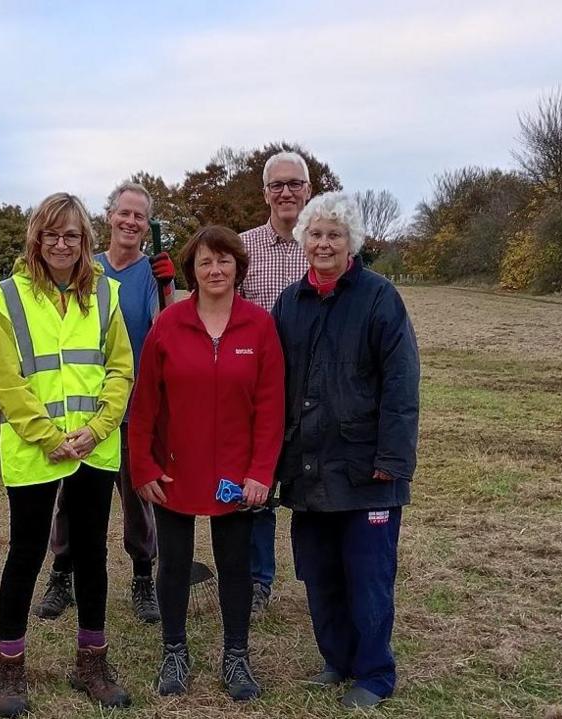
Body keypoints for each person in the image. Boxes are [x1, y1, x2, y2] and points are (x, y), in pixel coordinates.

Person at [0, 192, 134, 717]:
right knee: (26, 552)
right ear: (37, 239)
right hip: (34, 447)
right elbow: (6, 379)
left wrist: (97, 429)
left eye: (72, 235)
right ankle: (9, 666)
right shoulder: (7, 298)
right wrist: (49, 437)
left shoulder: (108, 296)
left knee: (91, 551)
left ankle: (91, 661)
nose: (62, 244)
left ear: (86, 241)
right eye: (52, 235)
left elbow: (120, 369)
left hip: (95, 445)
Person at [272, 191, 420, 709]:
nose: (324, 243)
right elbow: (273, 388)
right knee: (319, 572)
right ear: (302, 240)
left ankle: (375, 673)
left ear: (351, 241)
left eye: (335, 234)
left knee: (369, 576)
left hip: (366, 470)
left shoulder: (380, 298)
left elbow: (402, 384)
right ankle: (336, 659)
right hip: (307, 466)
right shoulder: (289, 302)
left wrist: (392, 461)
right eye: (315, 234)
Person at [129, 226, 285, 701]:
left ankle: (236, 656)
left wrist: (260, 472)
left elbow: (270, 406)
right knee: (173, 564)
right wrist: (143, 467)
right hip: (176, 469)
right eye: (204, 262)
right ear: (191, 271)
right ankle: (174, 651)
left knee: (235, 567)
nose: (215, 270)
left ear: (238, 266)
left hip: (236, 477)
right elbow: (145, 405)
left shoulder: (259, 327)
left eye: (223, 261)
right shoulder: (170, 324)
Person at [34, 182, 174, 625]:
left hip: (134, 407)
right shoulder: (85, 268)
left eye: (140, 215)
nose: (131, 221)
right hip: (83, 408)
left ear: (146, 226)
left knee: (138, 497)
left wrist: (169, 288)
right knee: (71, 499)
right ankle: (62, 574)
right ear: (109, 216)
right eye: (124, 213)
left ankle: (142, 578)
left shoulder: (151, 274)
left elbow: (164, 330)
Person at [238, 150, 315, 618]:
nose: (286, 192)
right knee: (257, 487)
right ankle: (257, 578)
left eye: (294, 183)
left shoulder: (323, 244)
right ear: (265, 193)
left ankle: (319, 574)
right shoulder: (243, 249)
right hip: (256, 390)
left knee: (312, 489)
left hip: (312, 389)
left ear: (308, 188)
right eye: (277, 185)